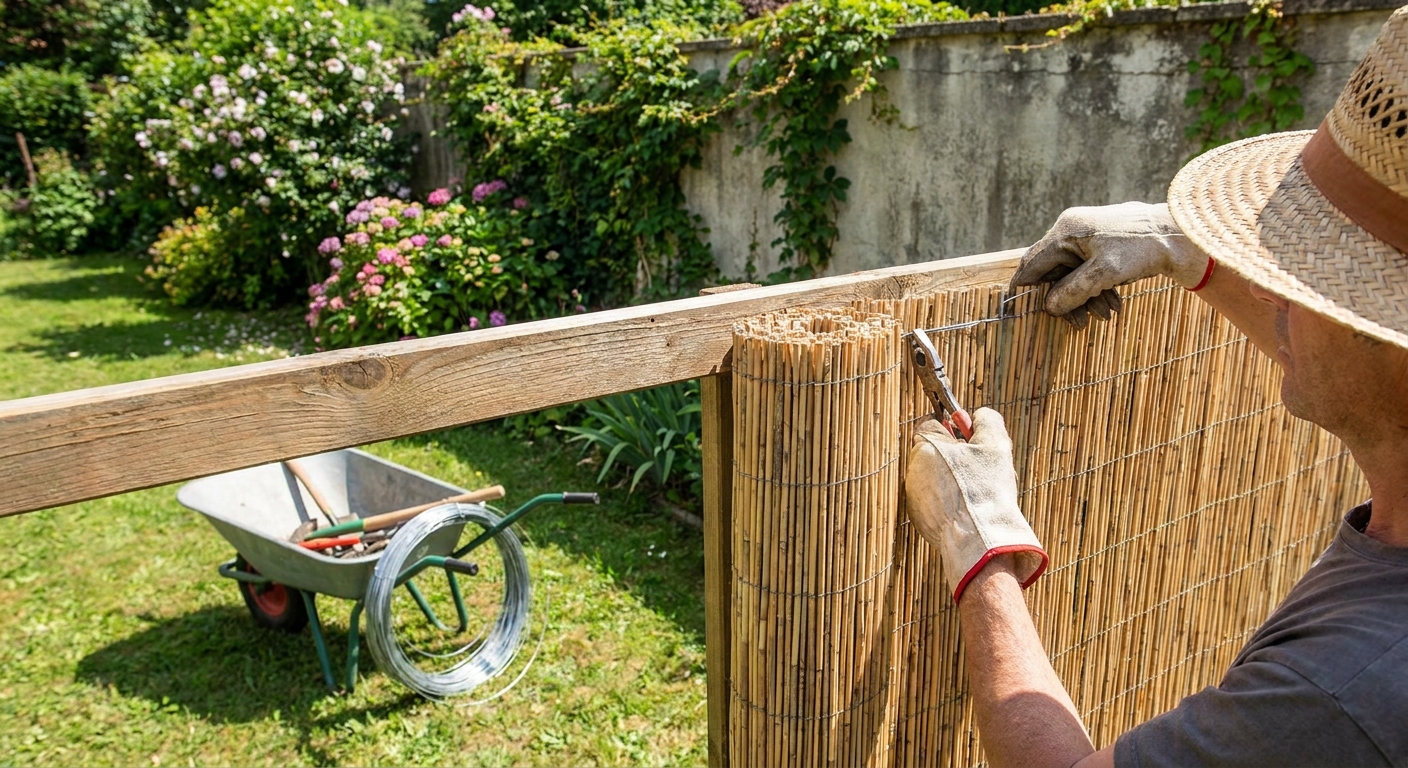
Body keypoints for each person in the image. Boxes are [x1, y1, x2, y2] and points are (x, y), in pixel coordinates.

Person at [904, 6, 1408, 767]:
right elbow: (1357, 371)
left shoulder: (1344, 693)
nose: (1277, 296)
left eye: (1317, 283)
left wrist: (983, 549)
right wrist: (1185, 254)